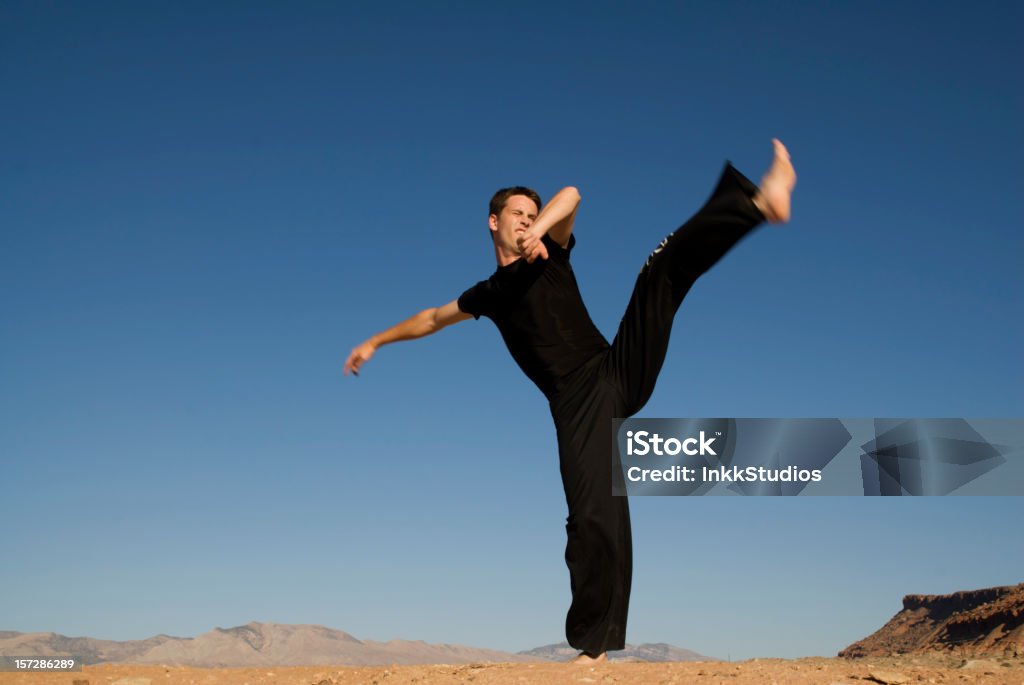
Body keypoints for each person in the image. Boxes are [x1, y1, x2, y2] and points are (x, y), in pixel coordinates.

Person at [343, 139, 796, 663]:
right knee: (591, 517)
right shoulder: (488, 294)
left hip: (612, 370)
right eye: (516, 214)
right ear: (492, 222)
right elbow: (430, 318)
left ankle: (759, 203)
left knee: (661, 269)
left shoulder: (550, 253)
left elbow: (573, 194)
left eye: (531, 214)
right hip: (576, 405)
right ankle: (596, 646)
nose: (525, 221)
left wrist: (542, 229)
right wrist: (376, 340)